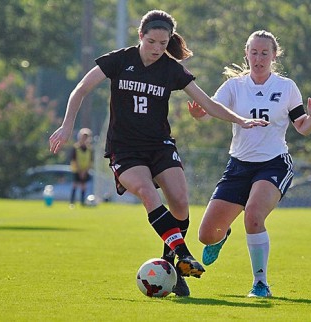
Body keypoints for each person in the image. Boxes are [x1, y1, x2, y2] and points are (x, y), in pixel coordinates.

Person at [49, 10, 268, 297]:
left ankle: (171, 266)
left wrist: (239, 120)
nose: (156, 49)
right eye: (151, 41)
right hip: (125, 149)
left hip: (159, 144)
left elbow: (207, 103)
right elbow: (80, 89)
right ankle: (184, 254)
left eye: (163, 44)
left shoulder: (171, 69)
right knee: (147, 193)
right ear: (140, 36)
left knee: (179, 201)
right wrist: (67, 126)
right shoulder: (120, 60)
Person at [189, 30, 311, 297]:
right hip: (239, 165)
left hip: (274, 164)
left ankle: (260, 283)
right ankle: (223, 234)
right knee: (207, 235)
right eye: (254, 52)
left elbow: (303, 127)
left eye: (265, 52)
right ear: (246, 54)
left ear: (274, 55)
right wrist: (199, 114)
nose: (259, 57)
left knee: (254, 215)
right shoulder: (234, 86)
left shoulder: (286, 87)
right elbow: (210, 112)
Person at [69, 128, 92, 207]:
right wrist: (79, 171)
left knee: (83, 186)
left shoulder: (89, 149)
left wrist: (85, 171)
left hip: (85, 171)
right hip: (77, 170)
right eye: (83, 137)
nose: (84, 139)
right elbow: (74, 160)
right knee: (75, 185)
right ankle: (72, 202)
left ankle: (82, 202)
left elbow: (90, 161)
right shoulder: (76, 148)